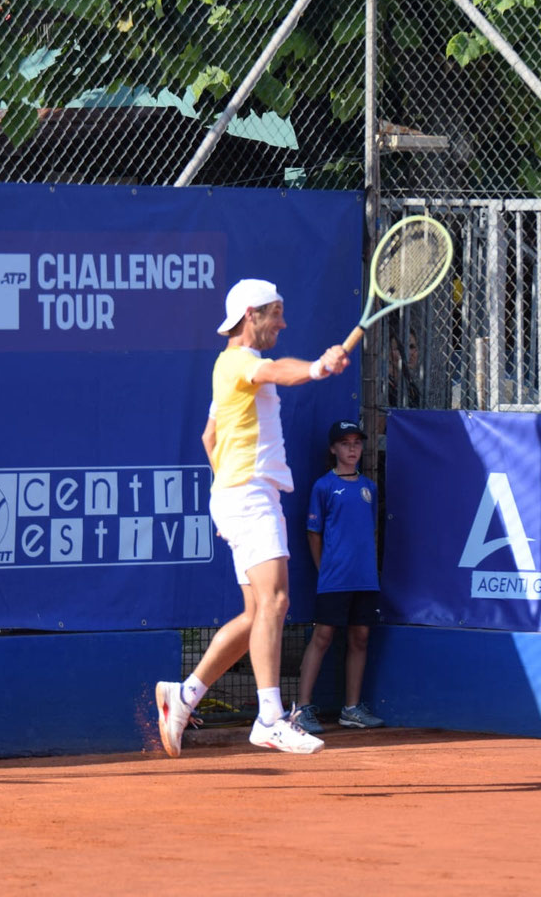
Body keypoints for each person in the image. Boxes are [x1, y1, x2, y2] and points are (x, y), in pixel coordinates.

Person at [154, 278, 349, 757]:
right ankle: (268, 718)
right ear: (250, 315)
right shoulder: (243, 362)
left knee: (255, 613)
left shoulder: (225, 369)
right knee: (277, 601)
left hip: (239, 493)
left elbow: (209, 438)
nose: (283, 322)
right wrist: (320, 367)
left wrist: (227, 488)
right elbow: (281, 371)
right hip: (250, 495)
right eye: (275, 313)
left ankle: (184, 696)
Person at [292, 419, 386, 735]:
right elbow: (313, 534)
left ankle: (351, 709)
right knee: (323, 637)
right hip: (333, 580)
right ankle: (301, 708)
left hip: (365, 580)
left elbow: (369, 532)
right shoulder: (323, 487)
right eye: (345, 443)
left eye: (356, 443)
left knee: (360, 637)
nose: (352, 449)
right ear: (333, 449)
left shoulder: (369, 488)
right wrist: (325, 571)